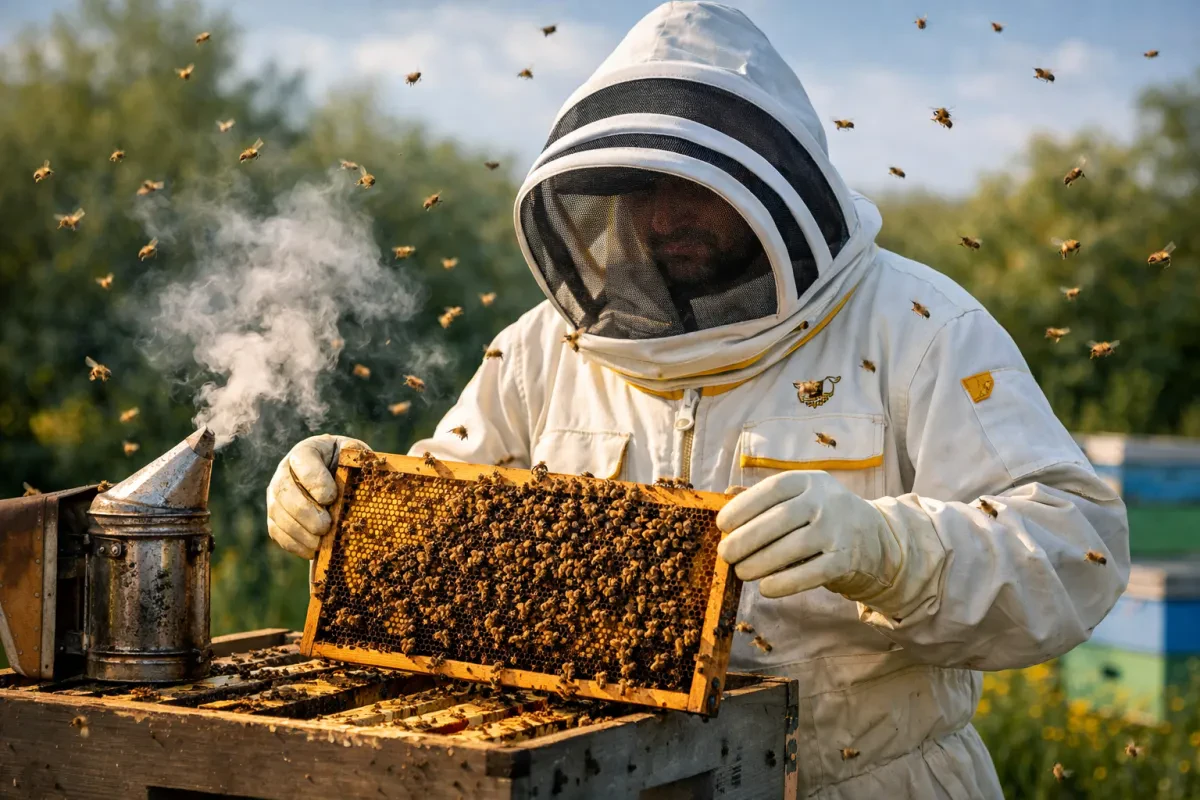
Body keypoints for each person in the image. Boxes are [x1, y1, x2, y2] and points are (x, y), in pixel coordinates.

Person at [265, 3, 1130, 797]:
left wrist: (892, 550)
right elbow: (439, 518)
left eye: (696, 184)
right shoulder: (546, 344)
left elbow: (1075, 549)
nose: (667, 213)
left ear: (776, 182)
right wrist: (341, 499)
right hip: (605, 779)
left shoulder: (917, 325)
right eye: (642, 188)